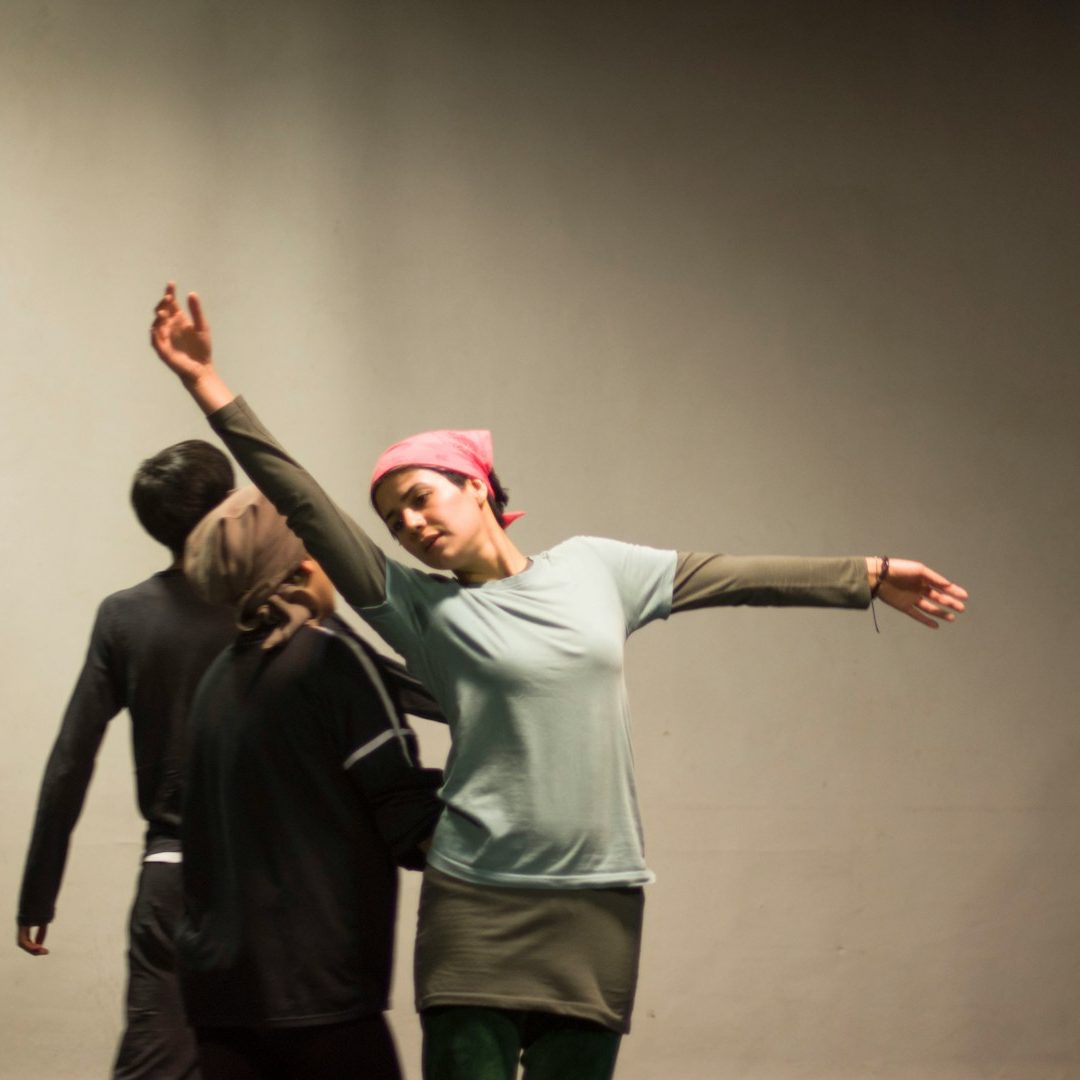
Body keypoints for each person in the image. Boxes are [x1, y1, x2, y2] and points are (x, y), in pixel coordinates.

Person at [150, 282, 968, 1080]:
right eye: (395, 520)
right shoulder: (419, 608)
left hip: (598, 901)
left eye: (421, 499)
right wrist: (206, 383)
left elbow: (731, 576)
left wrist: (870, 574)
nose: (411, 525)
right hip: (475, 899)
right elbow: (299, 497)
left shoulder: (596, 569)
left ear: (476, 485)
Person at [176, 485, 445, 1080]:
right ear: (304, 564)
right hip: (321, 997)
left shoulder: (216, 680)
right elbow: (408, 821)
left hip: (219, 1001)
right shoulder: (334, 660)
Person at [17, 439, 237, 1080]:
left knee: (157, 1065)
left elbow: (70, 761)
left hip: (172, 877)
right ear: (230, 504)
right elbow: (379, 682)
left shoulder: (125, 617)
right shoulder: (276, 604)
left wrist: (37, 896)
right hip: (267, 881)